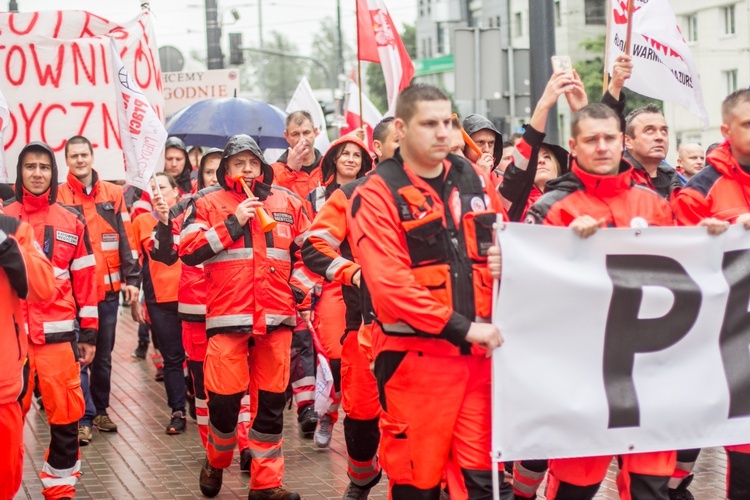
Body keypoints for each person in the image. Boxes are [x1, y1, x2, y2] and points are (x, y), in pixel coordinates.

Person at [514, 103, 724, 499]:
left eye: (609, 137)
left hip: (647, 371)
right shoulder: (551, 209)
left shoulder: (655, 204)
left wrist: (712, 240)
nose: (602, 147)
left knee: (650, 485)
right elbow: (525, 292)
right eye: (592, 139)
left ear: (621, 142)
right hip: (583, 374)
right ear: (574, 146)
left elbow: (683, 277)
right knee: (576, 487)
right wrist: (563, 250)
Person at [348, 83, 505, 498]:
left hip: (476, 364)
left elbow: (499, 241)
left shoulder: (471, 178)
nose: (442, 132)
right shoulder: (376, 193)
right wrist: (463, 328)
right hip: (415, 365)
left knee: (481, 484)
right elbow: (389, 286)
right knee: (419, 485)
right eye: (429, 123)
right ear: (401, 129)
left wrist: (508, 262)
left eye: (448, 122)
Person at [180, 134, 315, 500]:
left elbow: (312, 253)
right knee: (223, 409)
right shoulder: (205, 202)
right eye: (238, 163)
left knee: (271, 408)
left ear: (261, 166)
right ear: (226, 169)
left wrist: (298, 291)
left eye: (251, 162)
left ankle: (266, 485)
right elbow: (188, 251)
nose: (246, 169)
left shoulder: (288, 201)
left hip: (277, 319)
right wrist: (232, 224)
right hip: (228, 318)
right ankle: (216, 460)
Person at [5, 141, 99, 500]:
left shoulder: (71, 221)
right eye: (30, 167)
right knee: (8, 422)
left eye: (44, 167)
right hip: (14, 342)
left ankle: (60, 491)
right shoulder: (5, 218)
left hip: (59, 340)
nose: (38, 173)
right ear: (20, 173)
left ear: (53, 172)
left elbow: (86, 280)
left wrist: (89, 333)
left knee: (65, 420)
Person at [671, 88, 750, 500]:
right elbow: (675, 268)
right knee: (744, 467)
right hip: (728, 344)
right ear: (726, 130)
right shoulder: (699, 191)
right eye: (749, 124)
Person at [58, 135, 141, 444]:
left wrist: (133, 280)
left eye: (84, 154)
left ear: (92, 157)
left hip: (106, 291)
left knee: (103, 357)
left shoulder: (114, 193)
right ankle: (84, 417)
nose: (80, 160)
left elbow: (127, 237)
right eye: (73, 155)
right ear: (66, 160)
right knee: (79, 356)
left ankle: (101, 410)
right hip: (72, 293)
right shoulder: (59, 195)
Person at [303, 134, 373, 448]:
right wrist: (304, 292)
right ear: (333, 159)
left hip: (369, 291)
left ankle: (359, 419)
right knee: (334, 358)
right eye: (344, 154)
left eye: (356, 156)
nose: (350, 159)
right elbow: (306, 247)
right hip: (329, 286)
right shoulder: (316, 197)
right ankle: (327, 414)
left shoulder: (375, 194)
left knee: (366, 363)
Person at [0, 211, 54, 500]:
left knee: (4, 481)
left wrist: (6, 245)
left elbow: (43, 287)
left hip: (2, 385)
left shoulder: (12, 229)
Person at [133, 173, 188, 435]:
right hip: (160, 301)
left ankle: (202, 404)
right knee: (172, 359)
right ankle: (178, 411)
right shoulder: (142, 221)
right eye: (153, 190)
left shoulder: (189, 218)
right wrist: (137, 299)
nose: (158, 193)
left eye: (163, 188)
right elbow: (137, 261)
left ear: (176, 192)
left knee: (198, 358)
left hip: (192, 297)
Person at [500, 69, 585, 221]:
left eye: (547, 157)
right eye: (535, 159)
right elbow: (518, 170)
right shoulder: (513, 200)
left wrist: (581, 112)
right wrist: (543, 105)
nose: (541, 161)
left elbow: (592, 159)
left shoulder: (576, 196)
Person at [603, 55, 682, 199]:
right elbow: (605, 129)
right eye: (649, 130)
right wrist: (615, 86)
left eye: (664, 131)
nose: (659, 137)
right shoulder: (615, 177)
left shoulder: (680, 184)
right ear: (627, 141)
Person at [271, 110, 324, 198]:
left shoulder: (328, 167)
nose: (302, 139)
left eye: (306, 133)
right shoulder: (274, 171)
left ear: (315, 132)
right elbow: (273, 199)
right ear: (286, 136)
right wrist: (290, 170)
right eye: (295, 134)